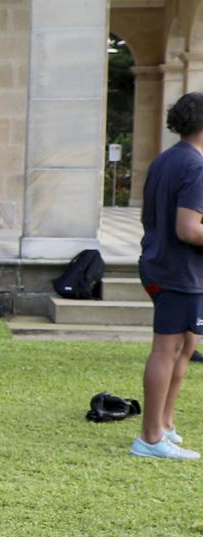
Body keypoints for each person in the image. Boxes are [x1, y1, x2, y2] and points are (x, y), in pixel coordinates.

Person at [131, 91, 203, 460]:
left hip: (162, 265)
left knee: (186, 345)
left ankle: (166, 423)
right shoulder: (195, 165)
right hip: (178, 271)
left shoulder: (168, 159)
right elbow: (189, 228)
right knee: (167, 348)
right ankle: (150, 437)